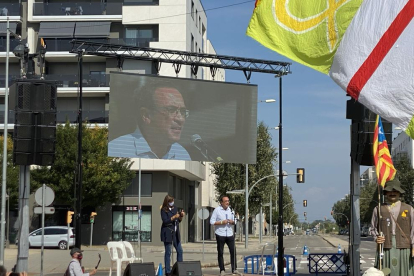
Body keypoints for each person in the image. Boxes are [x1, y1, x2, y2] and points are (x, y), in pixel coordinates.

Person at [109, 85, 191, 160]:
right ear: (146, 115)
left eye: (183, 112)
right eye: (171, 110)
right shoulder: (116, 150)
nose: (180, 119)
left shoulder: (182, 154)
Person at [370, 178, 414, 276]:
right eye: (390, 190)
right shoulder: (378, 209)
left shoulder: (409, 209)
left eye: (395, 191)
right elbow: (373, 229)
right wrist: (377, 238)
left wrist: (413, 247)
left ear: (399, 192)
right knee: (385, 272)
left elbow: (413, 230)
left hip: (404, 248)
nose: (392, 193)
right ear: (386, 192)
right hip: (385, 247)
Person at [210, 196, 239, 275]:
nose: (227, 202)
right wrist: (222, 222)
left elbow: (235, 220)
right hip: (220, 234)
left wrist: (232, 221)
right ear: (221, 202)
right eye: (225, 201)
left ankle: (234, 269)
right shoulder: (217, 210)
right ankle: (222, 270)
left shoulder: (231, 210)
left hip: (229, 234)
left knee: (233, 251)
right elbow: (212, 222)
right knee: (220, 252)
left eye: (228, 201)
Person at [160, 195, 185, 276]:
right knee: (168, 252)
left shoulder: (175, 208)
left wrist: (180, 216)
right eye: (170, 201)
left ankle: (179, 269)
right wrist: (174, 217)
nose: (172, 203)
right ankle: (168, 271)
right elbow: (165, 221)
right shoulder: (163, 210)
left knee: (180, 250)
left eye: (173, 201)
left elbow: (178, 221)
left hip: (175, 232)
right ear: (167, 202)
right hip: (167, 232)